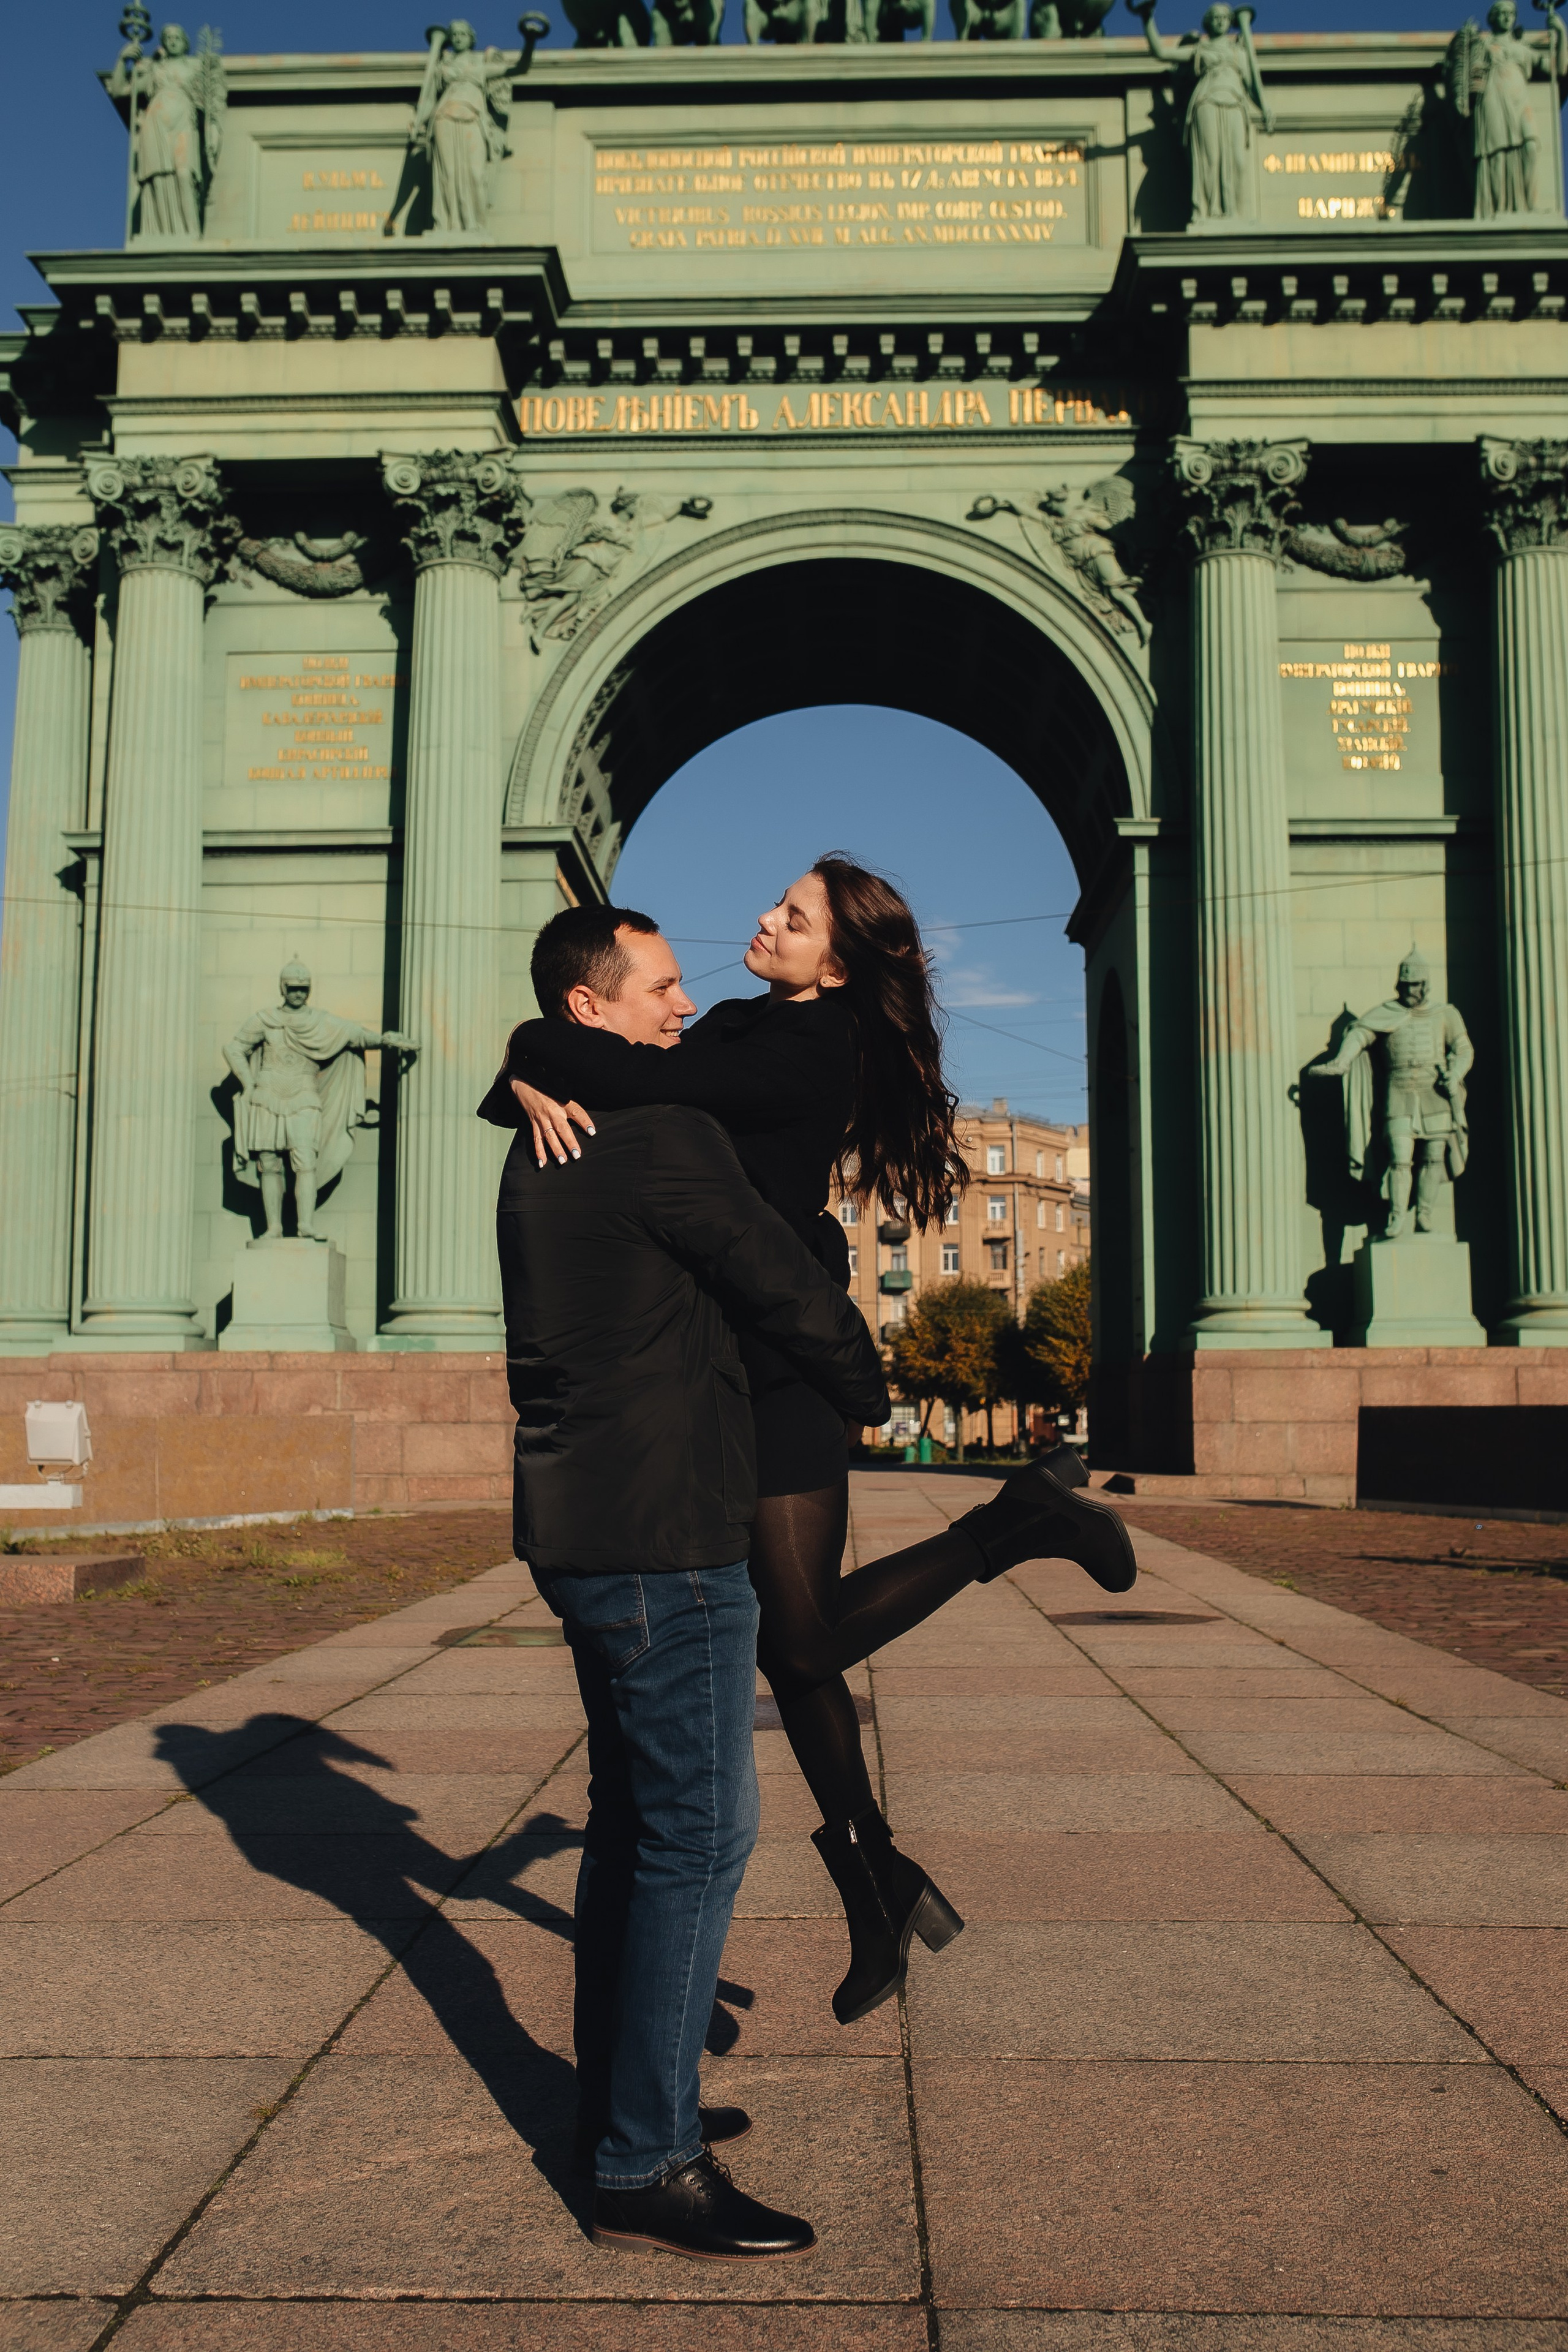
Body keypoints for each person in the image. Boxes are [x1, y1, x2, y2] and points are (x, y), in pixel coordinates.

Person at [481, 859, 1135, 2027]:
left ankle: (1017, 1522)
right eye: (776, 905)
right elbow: (618, 1064)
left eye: (793, 918)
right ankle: (876, 1881)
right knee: (795, 1654)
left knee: (808, 1635)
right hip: (725, 1355)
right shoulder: (745, 1021)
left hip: (781, 1357)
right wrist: (533, 1070)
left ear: (836, 965)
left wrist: (532, 1052)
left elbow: (631, 1071)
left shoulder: (814, 1043)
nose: (765, 921)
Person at [494, 903, 893, 2261]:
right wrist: (862, 1384)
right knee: (699, 1837)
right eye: (660, 989)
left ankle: (624, 2103)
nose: (685, 1007)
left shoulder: (545, 1137)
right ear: (588, 1009)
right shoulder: (660, 1135)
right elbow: (778, 1281)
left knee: (629, 1829)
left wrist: (524, 1065)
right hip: (670, 1532)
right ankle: (645, 2161)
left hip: (580, 1525)